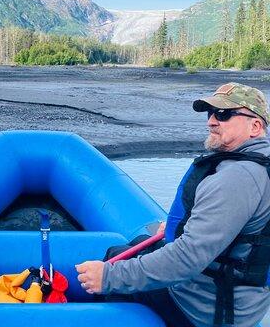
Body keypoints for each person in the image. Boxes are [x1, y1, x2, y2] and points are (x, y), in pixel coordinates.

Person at [76, 82, 270, 327]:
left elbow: (187, 259)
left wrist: (109, 277)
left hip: (204, 308)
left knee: (114, 261)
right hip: (233, 296)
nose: (211, 121)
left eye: (224, 114)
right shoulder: (258, 165)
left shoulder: (237, 178)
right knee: (135, 246)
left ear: (255, 126)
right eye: (211, 113)